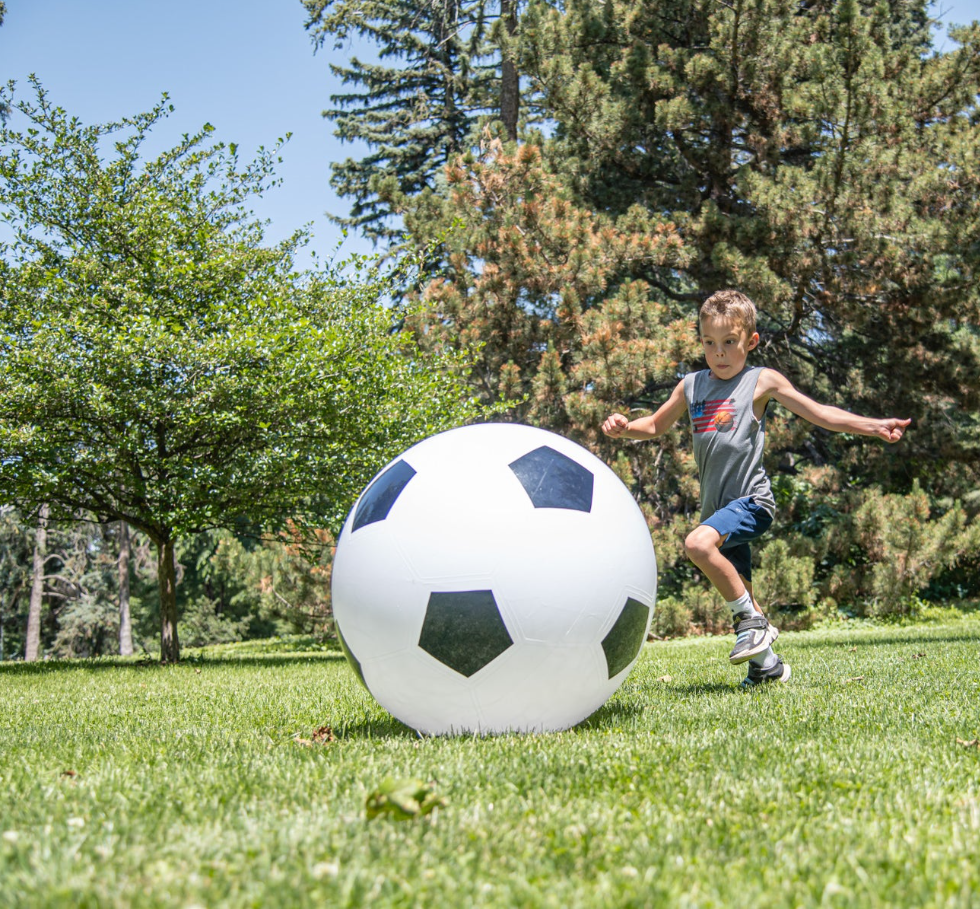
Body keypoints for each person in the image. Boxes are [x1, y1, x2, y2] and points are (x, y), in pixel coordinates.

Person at [601, 290, 911, 687]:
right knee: (743, 597)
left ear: (751, 341)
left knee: (697, 545)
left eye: (730, 342)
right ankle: (768, 668)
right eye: (709, 343)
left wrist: (872, 425)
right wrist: (625, 428)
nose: (720, 353)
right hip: (717, 511)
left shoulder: (759, 381)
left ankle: (753, 625)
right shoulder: (691, 385)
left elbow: (820, 414)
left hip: (752, 502)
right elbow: (656, 425)